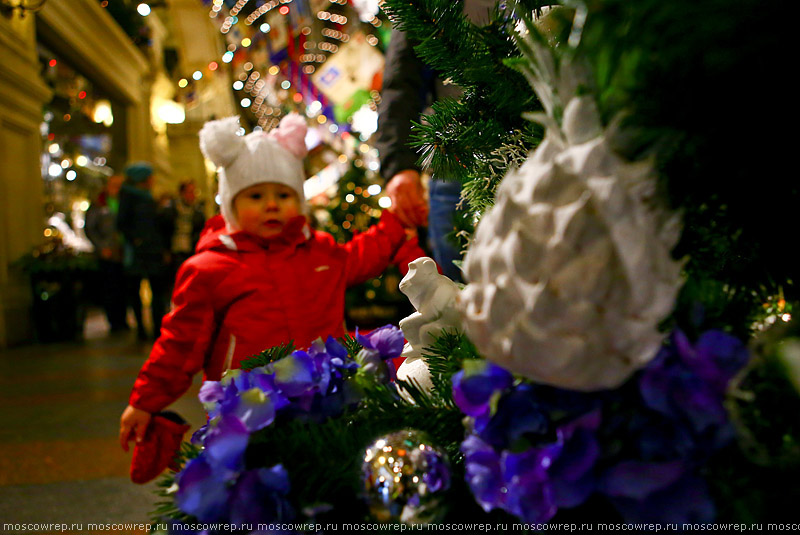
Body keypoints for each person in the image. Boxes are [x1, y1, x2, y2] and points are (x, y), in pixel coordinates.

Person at [119, 113, 425, 451]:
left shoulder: (319, 252)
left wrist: (395, 224)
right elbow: (179, 346)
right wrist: (145, 401)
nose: (271, 206)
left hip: (326, 399)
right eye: (255, 196)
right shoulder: (209, 270)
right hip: (249, 412)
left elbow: (360, 256)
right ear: (231, 203)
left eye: (283, 195)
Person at [375, 1, 495, 282]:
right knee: (460, 291)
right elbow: (402, 80)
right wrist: (399, 165)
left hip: (540, 140)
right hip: (456, 160)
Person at [117, 162, 172, 341]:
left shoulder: (147, 198)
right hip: (138, 254)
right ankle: (141, 328)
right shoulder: (130, 198)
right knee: (136, 293)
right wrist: (136, 239)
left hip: (152, 252)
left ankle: (157, 327)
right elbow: (122, 224)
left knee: (157, 292)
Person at [84, 174, 128, 332]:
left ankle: (123, 320)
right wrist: (101, 246)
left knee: (125, 287)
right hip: (108, 252)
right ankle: (114, 321)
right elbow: (90, 228)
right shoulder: (99, 204)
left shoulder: (126, 203)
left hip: (124, 251)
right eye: (115, 185)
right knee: (111, 287)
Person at [163, 180, 206, 278]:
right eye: (189, 192)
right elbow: (164, 230)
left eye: (194, 192)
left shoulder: (198, 212)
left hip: (190, 250)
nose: (192, 195)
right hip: (175, 251)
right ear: (182, 193)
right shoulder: (171, 210)